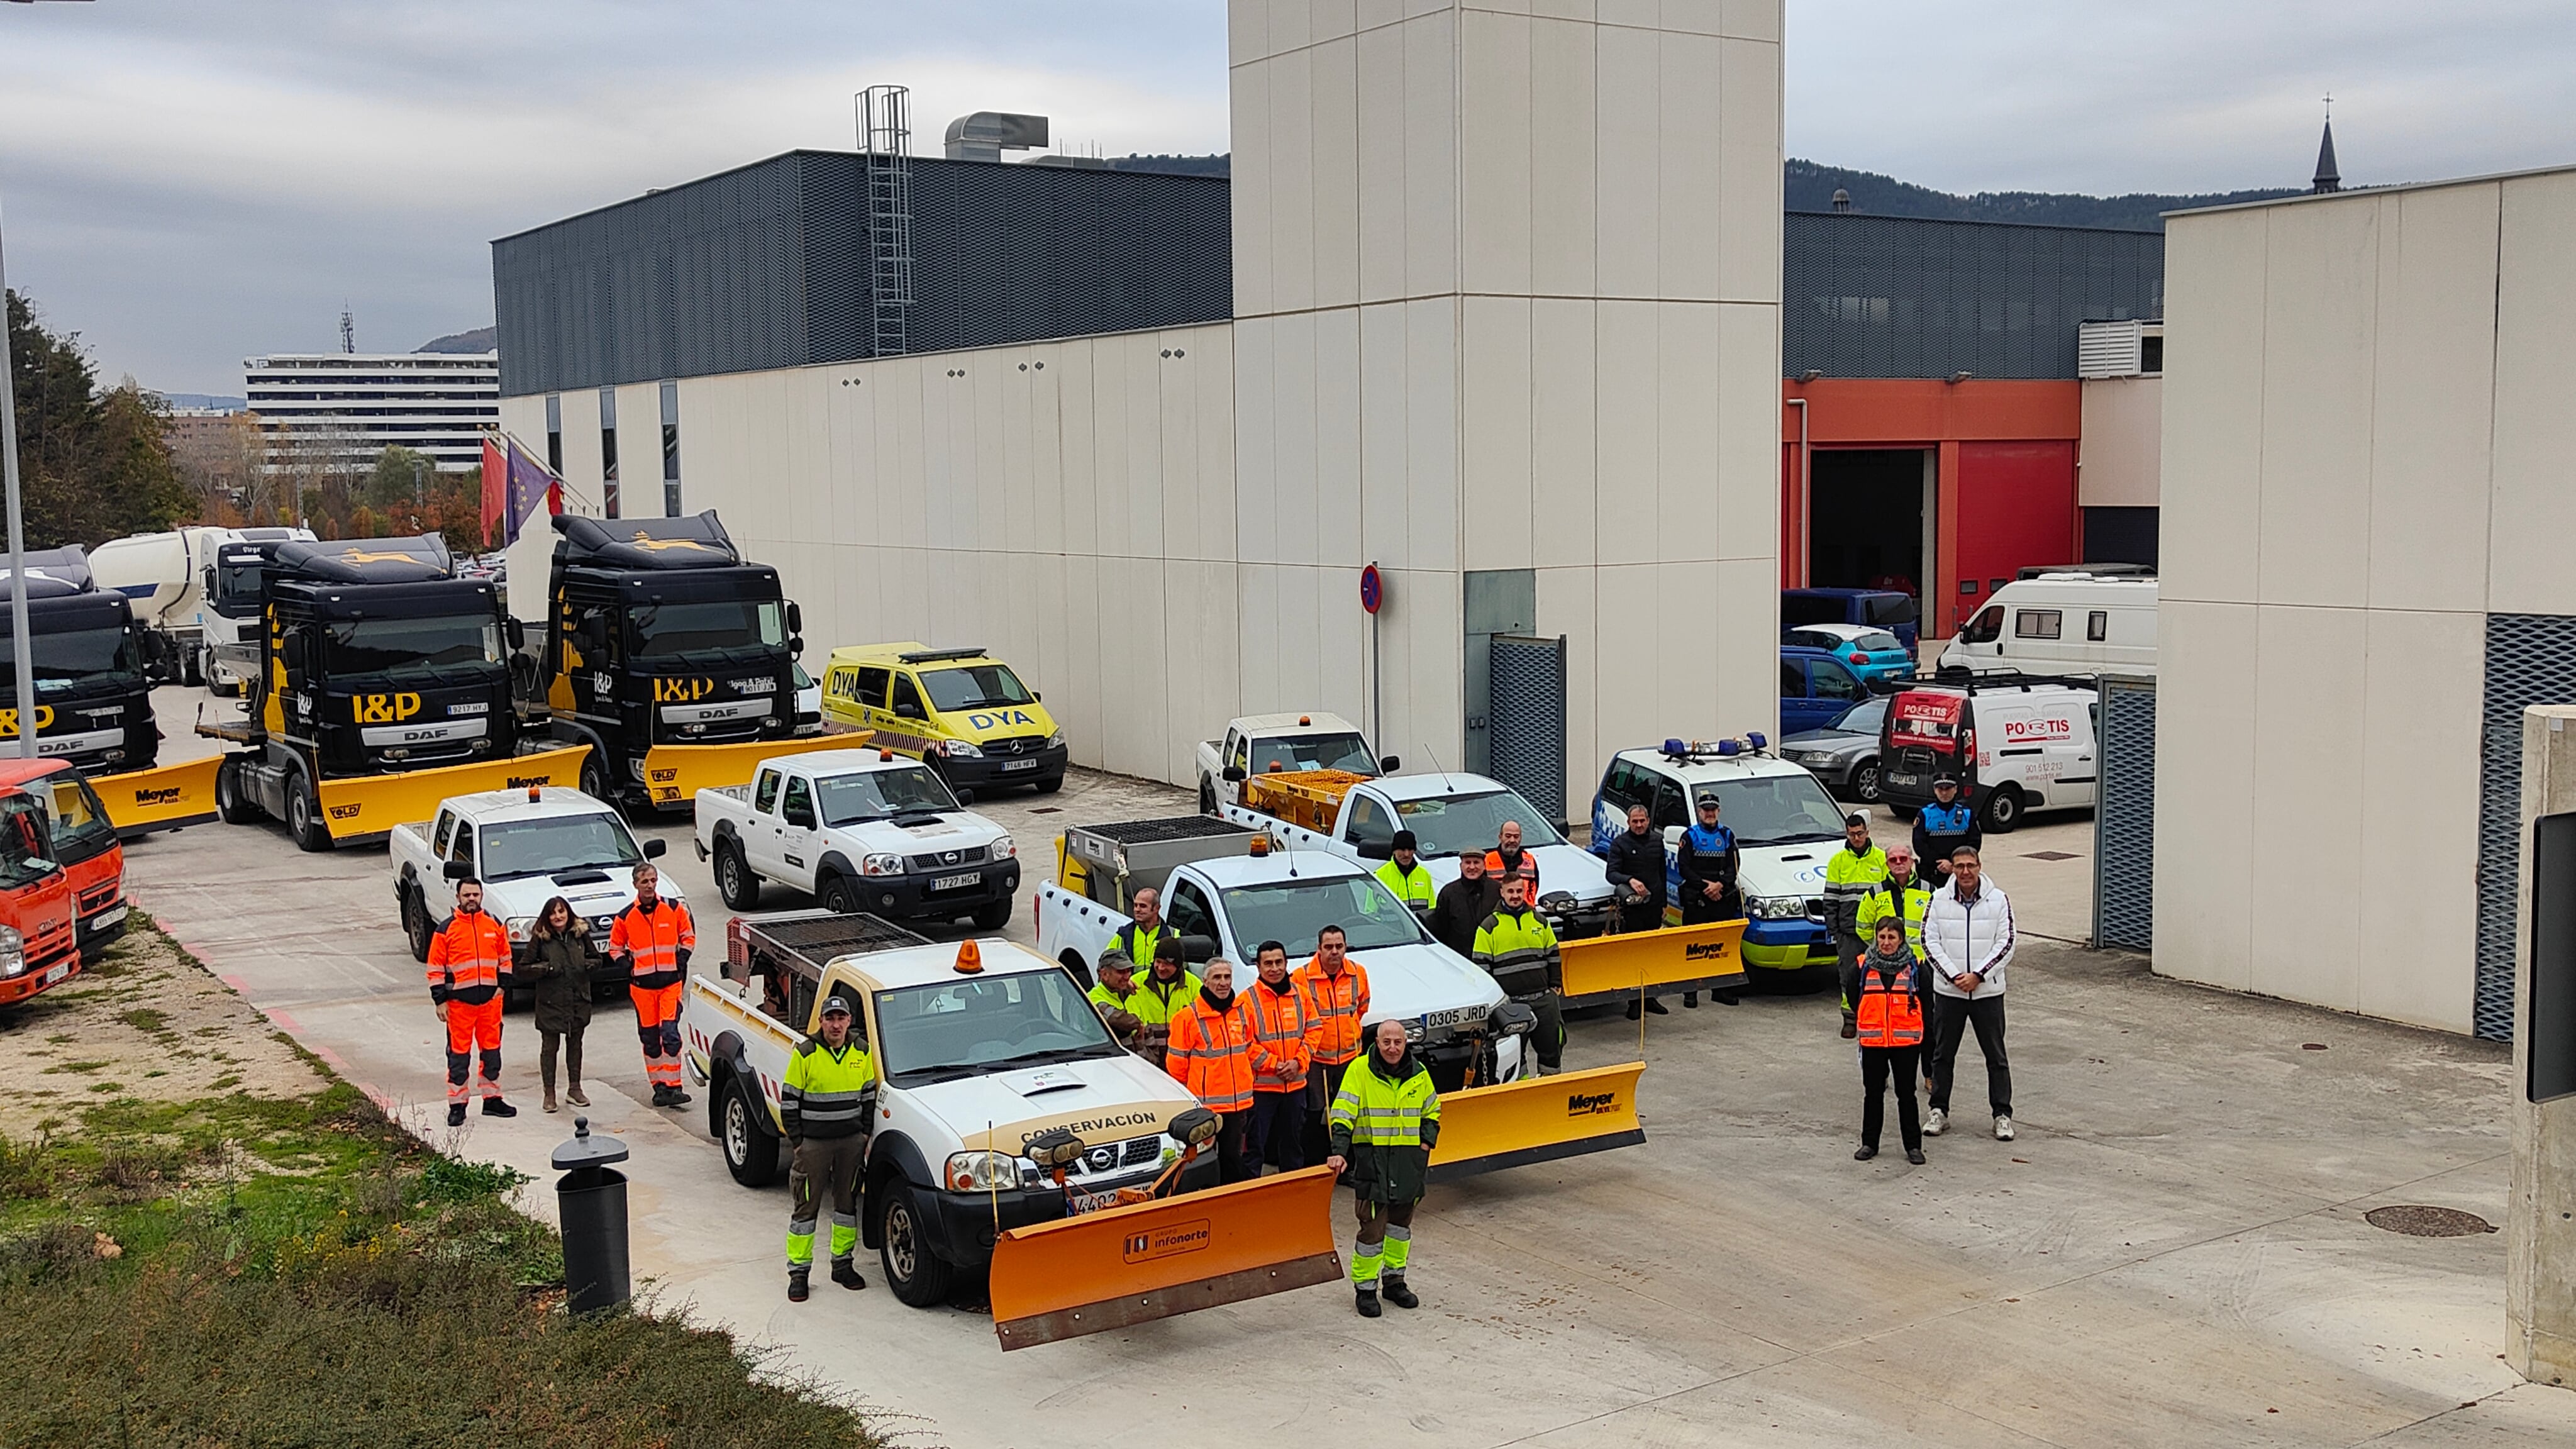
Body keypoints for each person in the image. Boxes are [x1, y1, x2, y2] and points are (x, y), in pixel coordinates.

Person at [1328, 1018, 1441, 1318]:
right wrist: (1339, 1152)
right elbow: (1342, 1114)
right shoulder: (1359, 1070)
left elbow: (1432, 1110)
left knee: (1400, 1230)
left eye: (1398, 1042)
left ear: (1406, 1043)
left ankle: (1394, 1282)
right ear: (1377, 1043)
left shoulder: (1419, 1073)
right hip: (1373, 1164)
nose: (1393, 1048)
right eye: (1386, 1042)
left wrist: (1426, 1143)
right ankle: (1365, 1290)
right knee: (1372, 1231)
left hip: (1407, 1166)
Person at [782, 994, 874, 1301]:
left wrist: (864, 1134)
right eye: (830, 1019)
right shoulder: (805, 1054)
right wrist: (799, 1143)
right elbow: (789, 1101)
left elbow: (869, 1095)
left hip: (850, 1143)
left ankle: (842, 1265)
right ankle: (799, 1273)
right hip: (814, 1145)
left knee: (847, 1206)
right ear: (821, 1021)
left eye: (841, 1018)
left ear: (850, 1021)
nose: (836, 1025)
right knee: (806, 1207)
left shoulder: (862, 1051)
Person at [1923, 846, 2016, 1142]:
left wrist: (1979, 975)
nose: (1965, 871)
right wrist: (1954, 977)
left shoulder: (1999, 900)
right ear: (1952, 868)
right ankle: (1939, 1111)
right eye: (1960, 866)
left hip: (1988, 993)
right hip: (1949, 993)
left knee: (1996, 1057)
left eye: (1970, 865)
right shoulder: (1938, 899)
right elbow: (1928, 941)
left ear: (1979, 866)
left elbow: (2007, 942)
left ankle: (2002, 1115)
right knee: (1942, 1055)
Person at [426, 879, 515, 1126]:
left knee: (492, 1055)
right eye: (467, 895)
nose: (471, 899)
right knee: (458, 1058)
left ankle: (492, 1099)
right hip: (459, 1006)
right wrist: (440, 1001)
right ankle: (458, 1105)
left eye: (475, 894)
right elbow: (435, 968)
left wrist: (502, 987)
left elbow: (505, 958)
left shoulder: (494, 925)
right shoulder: (446, 930)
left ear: (482, 896)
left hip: (490, 1004)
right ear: (458, 898)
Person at [608, 864, 696, 1109]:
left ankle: (675, 1086)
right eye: (645, 881)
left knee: (670, 1034)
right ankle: (659, 1087)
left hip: (670, 985)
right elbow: (615, 947)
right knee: (650, 1040)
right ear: (635, 884)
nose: (650, 885)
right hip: (642, 988)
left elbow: (688, 936)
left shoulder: (673, 908)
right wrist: (627, 965)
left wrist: (682, 959)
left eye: (653, 880)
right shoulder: (626, 916)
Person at [1165, 958, 1258, 1183]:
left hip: (1238, 1104)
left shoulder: (1243, 1011)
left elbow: (1249, 1048)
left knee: (1232, 1159)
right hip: (1206, 1107)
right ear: (1205, 981)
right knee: (1203, 1161)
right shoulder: (1187, 1018)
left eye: (1227, 977)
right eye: (1217, 977)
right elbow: (1176, 1066)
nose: (1223, 983)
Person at [1294, 923, 1372, 1163]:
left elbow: (1362, 1007)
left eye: (1339, 946)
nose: (1334, 952)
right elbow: (1297, 1017)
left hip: (1349, 1058)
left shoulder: (1358, 973)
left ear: (1346, 946)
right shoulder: (1301, 977)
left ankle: (1347, 1161)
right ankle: (1316, 1163)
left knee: (1348, 1111)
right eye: (1329, 947)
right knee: (1315, 1111)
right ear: (1318, 948)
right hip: (1316, 1060)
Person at [1852, 918, 1927, 1164]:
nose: (1886, 942)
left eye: (1891, 937)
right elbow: (1854, 996)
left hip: (1906, 1044)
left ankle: (1913, 1147)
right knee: (1873, 1094)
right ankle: (1869, 1143)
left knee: (1907, 1095)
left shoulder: (1916, 967)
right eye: (1882, 937)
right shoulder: (1862, 966)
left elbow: (1927, 1002)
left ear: (1901, 939)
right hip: (1873, 1042)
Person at [1473, 874, 1565, 1075]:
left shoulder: (1540, 921)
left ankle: (1549, 1087)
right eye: (1510, 891)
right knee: (1513, 1055)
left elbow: (1553, 955)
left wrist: (1555, 985)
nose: (1515, 896)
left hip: (1544, 1000)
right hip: (1511, 1005)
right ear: (1502, 893)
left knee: (1552, 1049)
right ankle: (1521, 1088)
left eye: (1519, 891)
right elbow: (1481, 967)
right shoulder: (1489, 926)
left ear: (1525, 892)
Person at [520, 896, 599, 1114]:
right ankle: (549, 1093)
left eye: (561, 911)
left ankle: (575, 1089)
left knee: (575, 1045)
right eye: (553, 913)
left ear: (568, 913)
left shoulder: (580, 934)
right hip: (550, 1002)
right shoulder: (541, 938)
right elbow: (524, 968)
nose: (558, 916)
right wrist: (546, 969)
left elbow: (597, 959)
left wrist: (586, 966)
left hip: (578, 1000)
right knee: (549, 1048)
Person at [1852, 844, 1934, 1044]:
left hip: (1921, 965)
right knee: (1890, 1014)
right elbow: (1862, 926)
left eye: (1903, 859)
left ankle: (1927, 1064)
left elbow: (1941, 926)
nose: (1899, 863)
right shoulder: (1875, 893)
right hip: (1885, 968)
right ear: (1887, 864)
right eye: (1893, 860)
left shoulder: (1929, 891)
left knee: (1927, 1019)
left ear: (1912, 861)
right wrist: (1883, 948)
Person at [1241, 941, 1312, 1172]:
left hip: (1296, 1085)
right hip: (1262, 1089)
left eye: (1279, 962)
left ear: (1286, 963)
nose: (1274, 968)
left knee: (1293, 1143)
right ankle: (1251, 1187)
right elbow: (1245, 1043)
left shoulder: (1301, 995)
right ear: (1259, 967)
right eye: (1268, 963)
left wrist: (1298, 1063)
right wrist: (1275, 1065)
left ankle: (1292, 1186)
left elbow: (1314, 1030)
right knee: (1255, 1146)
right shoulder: (1246, 1001)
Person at [1602, 803, 1677, 1016]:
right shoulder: (1620, 843)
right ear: (1628, 822)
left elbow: (1662, 873)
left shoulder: (1657, 841)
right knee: (1634, 954)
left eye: (1642, 821)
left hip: (1654, 907)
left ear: (1648, 821)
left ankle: (1650, 998)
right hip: (1632, 909)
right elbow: (1611, 874)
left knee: (1651, 954)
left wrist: (1664, 904)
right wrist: (1630, 880)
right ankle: (1634, 1002)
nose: (1639, 825)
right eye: (1634, 821)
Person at [1823, 813, 1889, 1031]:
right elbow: (1830, 898)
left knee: (1879, 976)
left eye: (1860, 833)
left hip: (1876, 934)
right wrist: (1835, 930)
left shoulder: (1881, 858)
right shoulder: (1838, 861)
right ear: (1847, 834)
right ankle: (1850, 1019)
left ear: (1867, 832)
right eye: (1852, 834)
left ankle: (1876, 1018)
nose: (1857, 838)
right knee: (1848, 976)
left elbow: (1888, 895)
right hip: (1848, 932)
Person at [1677, 794, 1744, 1006]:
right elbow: (1684, 868)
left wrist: (1720, 885)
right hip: (1697, 900)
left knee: (1721, 947)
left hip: (1721, 898)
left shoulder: (1727, 834)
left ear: (1719, 811)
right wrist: (1705, 887)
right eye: (1706, 810)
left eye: (1713, 810)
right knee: (1693, 947)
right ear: (1699, 812)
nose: (1709, 813)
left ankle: (1721, 991)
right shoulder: (1690, 836)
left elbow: (1735, 866)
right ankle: (1690, 993)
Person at [1133, 938, 1201, 1070]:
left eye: (1166, 964)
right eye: (1158, 962)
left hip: (1182, 1060)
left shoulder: (1194, 985)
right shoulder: (1137, 983)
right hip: (1146, 1060)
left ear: (1178, 965)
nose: (1161, 968)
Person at [1428, 849, 1497, 958]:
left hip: (1492, 955)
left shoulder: (1496, 890)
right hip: (1459, 957)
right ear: (1461, 866)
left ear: (1484, 866)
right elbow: (1441, 929)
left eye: (1476, 862)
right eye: (1468, 863)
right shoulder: (1449, 893)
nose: (1472, 867)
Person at [1913, 776, 1982, 883]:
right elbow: (1919, 844)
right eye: (1940, 789)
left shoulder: (1967, 813)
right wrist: (1940, 863)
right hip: (1931, 871)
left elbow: (1974, 843)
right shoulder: (1925, 813)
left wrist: (1953, 864)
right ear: (1935, 790)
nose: (1944, 793)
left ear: (1955, 789)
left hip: (1959, 871)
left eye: (1948, 789)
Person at [1085, 948, 1145, 1050]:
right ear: (1104, 974)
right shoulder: (1094, 998)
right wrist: (1138, 1024)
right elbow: (1116, 1018)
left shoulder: (1119, 990)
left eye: (1128, 971)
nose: (1127, 976)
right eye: (1121, 972)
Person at [1112, 886, 1184, 971]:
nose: (1137, 910)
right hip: (1132, 980)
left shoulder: (1173, 935)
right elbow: (1108, 963)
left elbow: (1181, 968)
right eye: (1135, 905)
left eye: (1143, 906)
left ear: (1157, 908)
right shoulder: (1123, 934)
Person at [1374, 830, 1436, 918]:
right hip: (1391, 927)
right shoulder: (1379, 876)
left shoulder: (1424, 875)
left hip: (1418, 927)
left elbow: (1432, 910)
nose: (1406, 854)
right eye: (1402, 850)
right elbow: (1371, 913)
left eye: (1410, 849)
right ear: (1394, 851)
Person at [1485, 819, 1539, 892]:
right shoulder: (1487, 860)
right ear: (1500, 837)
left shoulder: (1530, 860)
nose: (1512, 840)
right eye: (1508, 836)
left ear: (1521, 838)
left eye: (1516, 836)